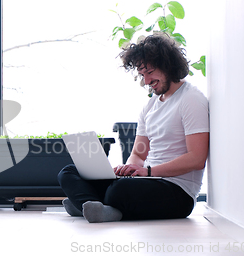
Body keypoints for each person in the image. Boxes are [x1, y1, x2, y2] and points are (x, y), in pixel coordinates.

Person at [57, 34, 209, 223]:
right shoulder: (151, 106)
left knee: (119, 191)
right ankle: (96, 207)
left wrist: (149, 172)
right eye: (142, 74)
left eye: (150, 72)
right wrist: (128, 169)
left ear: (167, 65)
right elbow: (138, 154)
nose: (146, 81)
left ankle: (86, 203)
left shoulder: (191, 99)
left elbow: (197, 158)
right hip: (147, 181)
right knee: (69, 172)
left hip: (177, 192)